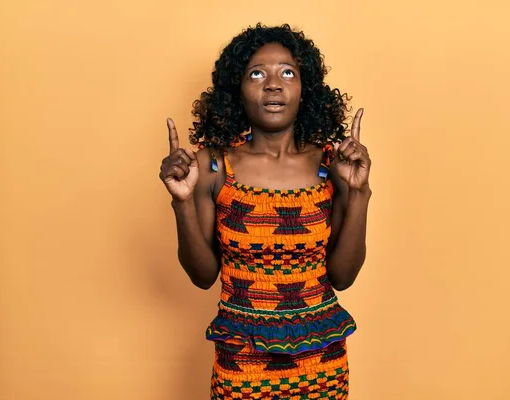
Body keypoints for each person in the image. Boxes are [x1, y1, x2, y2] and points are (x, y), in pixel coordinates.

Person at [159, 23, 371, 400]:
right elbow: (203, 275)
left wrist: (358, 193)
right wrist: (182, 202)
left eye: (287, 72)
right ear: (237, 91)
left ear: (306, 89)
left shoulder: (331, 164)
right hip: (242, 363)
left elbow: (343, 276)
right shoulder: (213, 165)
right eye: (257, 73)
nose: (273, 84)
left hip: (321, 364)